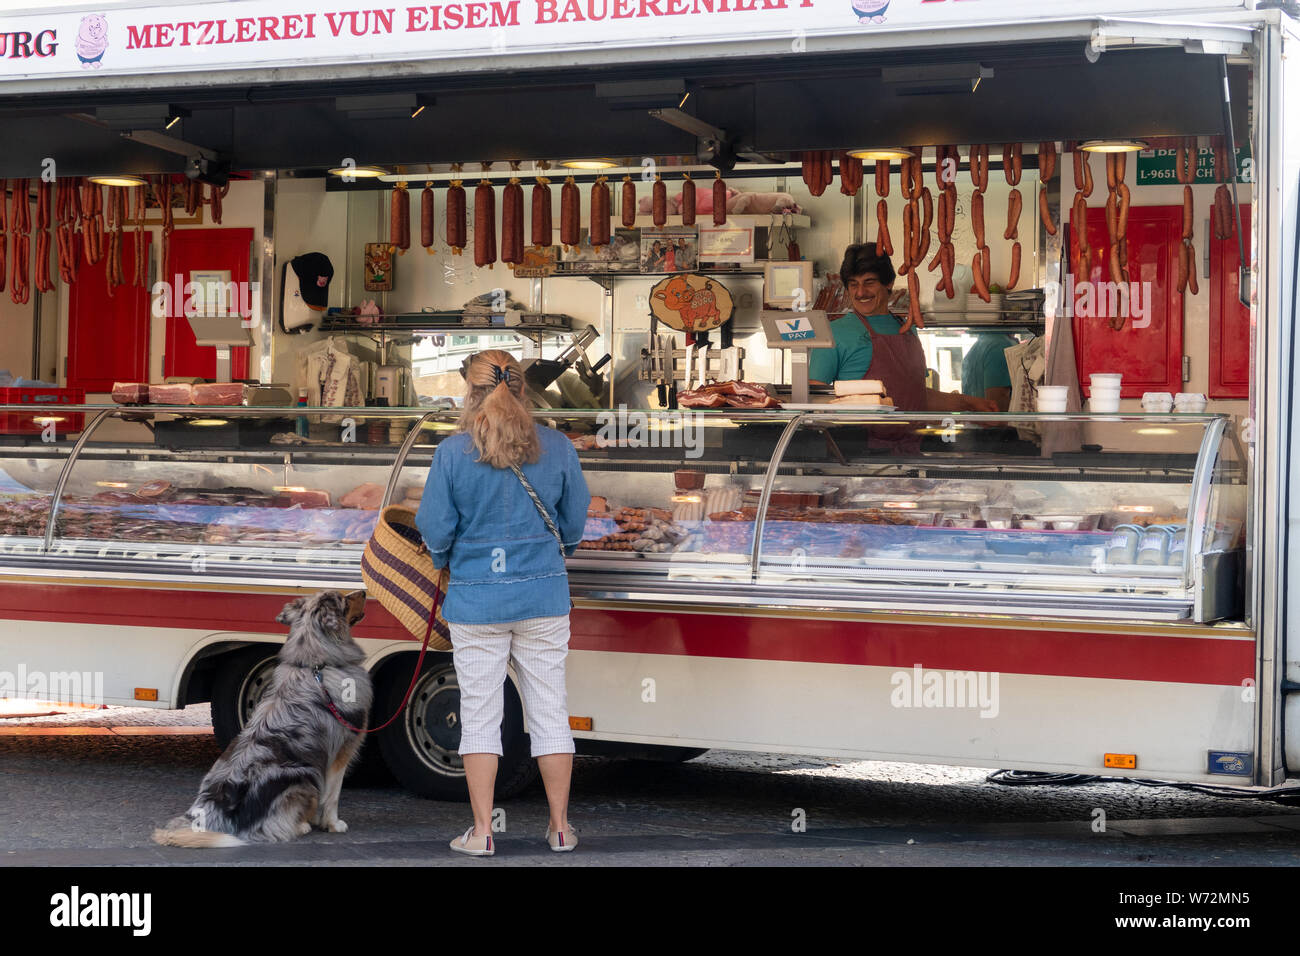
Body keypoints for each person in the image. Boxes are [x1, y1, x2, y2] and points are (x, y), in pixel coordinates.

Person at [415, 349, 590, 857]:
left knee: (481, 715)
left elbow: (435, 527)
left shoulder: (451, 454)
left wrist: (445, 559)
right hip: (543, 595)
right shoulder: (557, 447)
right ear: (524, 388)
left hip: (476, 601)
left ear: (468, 393)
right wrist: (559, 551)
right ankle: (559, 828)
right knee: (551, 711)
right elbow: (574, 518)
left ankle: (483, 832)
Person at [809, 243, 998, 413]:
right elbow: (814, 398)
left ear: (888, 283)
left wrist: (968, 404)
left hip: (912, 447)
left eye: (869, 283)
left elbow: (917, 397)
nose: (860, 292)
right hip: (857, 447)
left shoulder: (907, 329)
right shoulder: (834, 333)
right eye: (853, 284)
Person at [960, 332, 1016, 412]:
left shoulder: (978, 344)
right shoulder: (1001, 346)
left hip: (974, 422)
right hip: (992, 422)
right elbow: (997, 405)